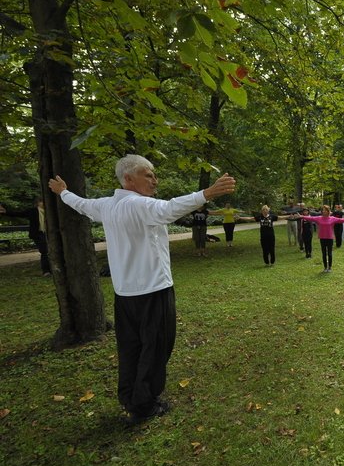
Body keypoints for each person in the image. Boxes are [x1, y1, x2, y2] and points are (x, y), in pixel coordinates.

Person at [47, 154, 235, 425]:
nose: (155, 180)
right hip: (153, 291)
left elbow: (82, 204)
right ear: (128, 179)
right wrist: (206, 193)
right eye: (148, 175)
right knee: (156, 347)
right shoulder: (138, 204)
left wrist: (64, 192)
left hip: (125, 295)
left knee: (130, 348)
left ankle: (129, 396)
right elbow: (168, 209)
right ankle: (145, 404)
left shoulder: (106, 205)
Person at [0, 198, 51, 276]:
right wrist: (6, 212)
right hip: (38, 234)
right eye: (41, 202)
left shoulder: (50, 211)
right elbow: (19, 214)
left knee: (50, 251)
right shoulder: (32, 211)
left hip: (50, 234)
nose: (43, 203)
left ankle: (51, 269)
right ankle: (46, 271)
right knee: (44, 251)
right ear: (37, 203)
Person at [300, 205, 344, 272]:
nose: (324, 211)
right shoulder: (319, 218)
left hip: (329, 238)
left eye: (325, 210)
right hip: (322, 238)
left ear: (328, 211)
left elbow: (341, 220)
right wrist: (301, 216)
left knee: (329, 253)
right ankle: (325, 267)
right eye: (323, 210)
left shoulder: (332, 218)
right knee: (324, 253)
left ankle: (330, 267)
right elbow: (311, 218)